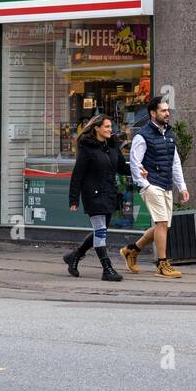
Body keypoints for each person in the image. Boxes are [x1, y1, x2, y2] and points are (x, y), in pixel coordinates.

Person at [119, 96, 188, 278]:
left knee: (162, 226)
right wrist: (146, 185)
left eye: (167, 110)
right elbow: (134, 163)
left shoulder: (169, 134)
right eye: (163, 110)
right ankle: (162, 265)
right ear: (153, 113)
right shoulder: (142, 136)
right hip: (152, 185)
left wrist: (182, 187)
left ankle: (131, 250)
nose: (167, 113)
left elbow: (175, 163)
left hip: (166, 185)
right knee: (162, 223)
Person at [64, 114, 123, 282]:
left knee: (101, 231)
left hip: (109, 194)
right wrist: (73, 199)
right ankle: (107, 268)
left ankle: (75, 256)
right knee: (101, 232)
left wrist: (138, 171)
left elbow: (120, 167)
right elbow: (77, 175)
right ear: (96, 128)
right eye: (106, 127)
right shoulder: (87, 148)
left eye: (111, 127)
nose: (110, 130)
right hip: (94, 195)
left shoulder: (112, 146)